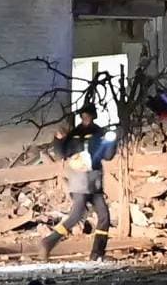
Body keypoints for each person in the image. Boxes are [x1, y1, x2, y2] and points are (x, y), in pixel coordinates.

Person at [40, 103, 113, 260]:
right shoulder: (74, 134)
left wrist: (112, 141)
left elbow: (108, 155)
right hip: (79, 179)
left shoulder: (99, 133)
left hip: (94, 180)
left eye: (88, 115)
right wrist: (58, 140)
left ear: (93, 116)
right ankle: (48, 242)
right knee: (76, 215)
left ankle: (97, 254)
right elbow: (61, 154)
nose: (86, 117)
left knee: (104, 216)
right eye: (84, 115)